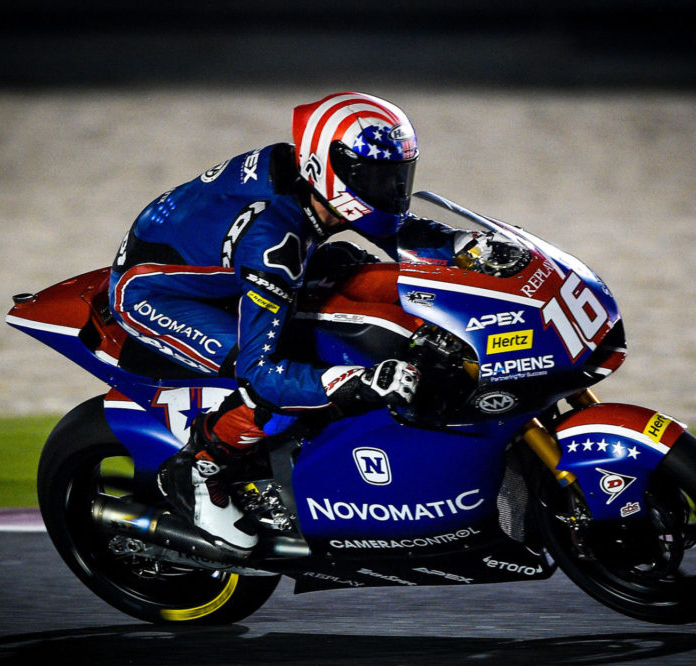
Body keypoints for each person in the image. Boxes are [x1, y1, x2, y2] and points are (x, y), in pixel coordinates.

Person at [108, 92, 503, 558]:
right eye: (376, 177)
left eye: (397, 176)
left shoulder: (315, 180)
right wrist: (356, 381)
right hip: (155, 295)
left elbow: (394, 227)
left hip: (223, 265)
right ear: (325, 168)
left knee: (360, 275)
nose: (390, 190)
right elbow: (263, 370)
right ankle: (201, 469)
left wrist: (463, 245)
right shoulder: (275, 237)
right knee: (274, 385)